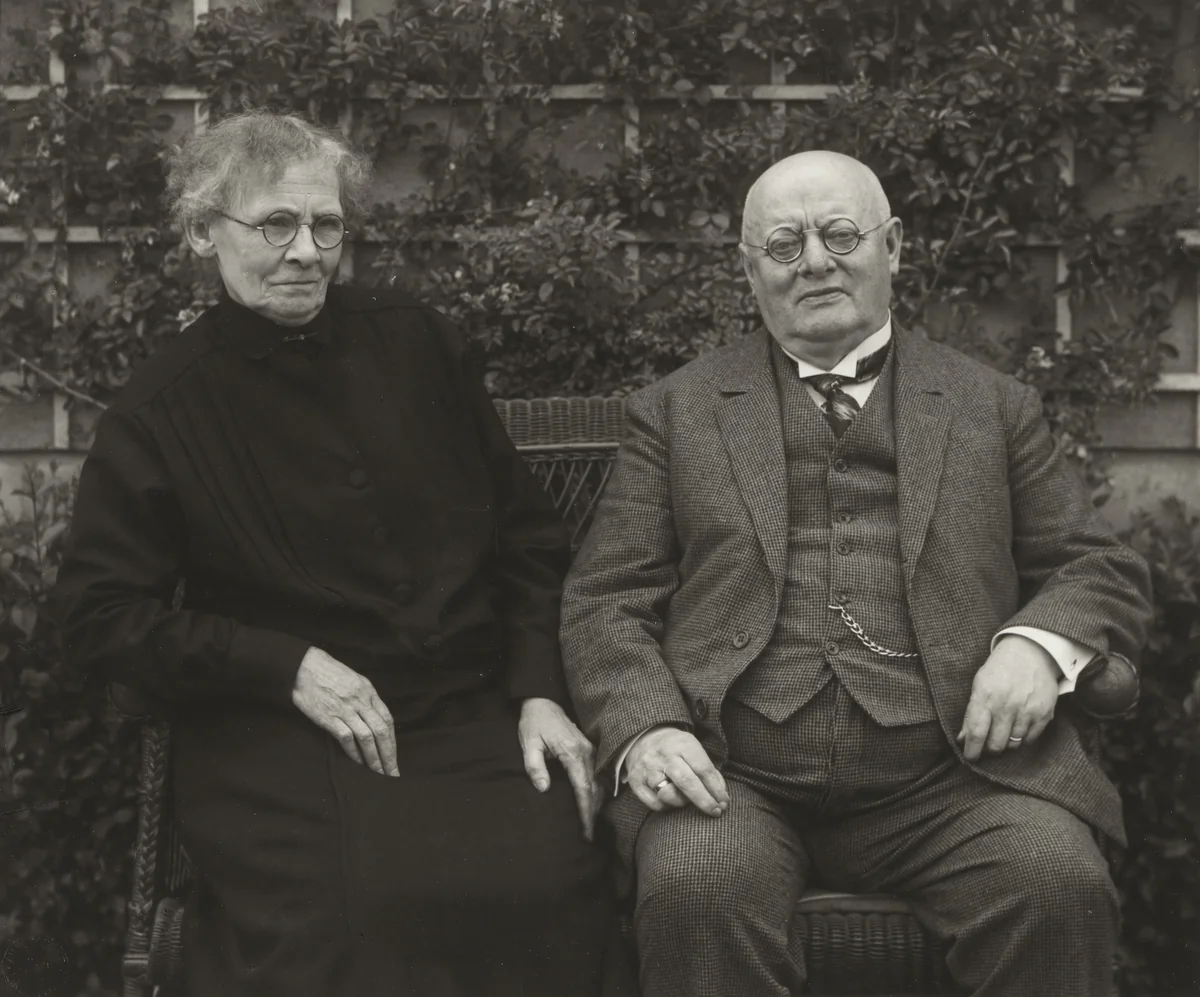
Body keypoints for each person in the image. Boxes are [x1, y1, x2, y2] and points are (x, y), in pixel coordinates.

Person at [559, 150, 1152, 997]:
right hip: (736, 774)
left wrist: (1038, 644)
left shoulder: (993, 405)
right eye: (784, 242)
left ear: (894, 247)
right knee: (698, 888)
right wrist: (647, 726)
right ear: (749, 267)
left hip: (953, 779)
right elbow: (606, 599)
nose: (815, 261)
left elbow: (1096, 562)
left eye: (841, 233)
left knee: (1056, 883)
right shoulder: (677, 410)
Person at [54, 110, 611, 997]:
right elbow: (99, 618)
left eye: (327, 226)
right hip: (281, 741)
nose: (307, 251)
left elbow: (527, 537)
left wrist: (541, 688)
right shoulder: (158, 410)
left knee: (550, 873)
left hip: (467, 718)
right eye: (275, 224)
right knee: (361, 912)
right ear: (205, 231)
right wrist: (285, 664)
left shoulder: (419, 341)